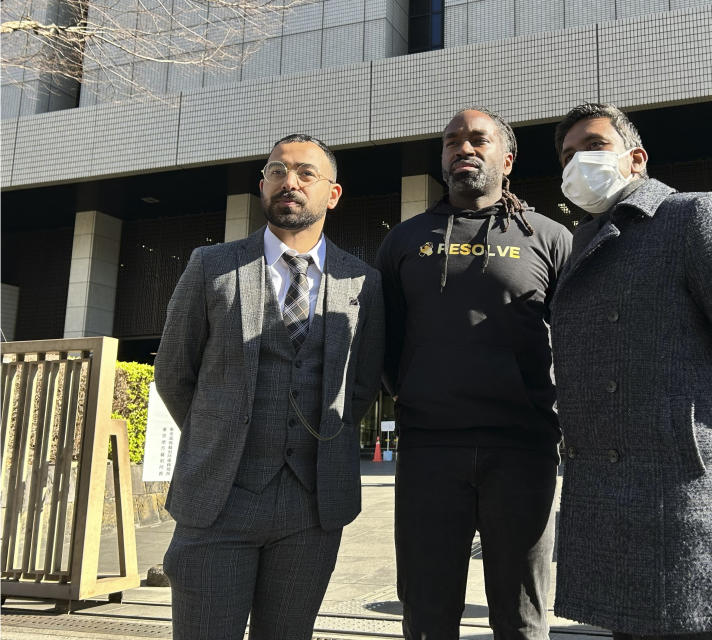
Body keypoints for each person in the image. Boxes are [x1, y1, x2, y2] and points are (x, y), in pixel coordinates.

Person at [549, 103, 712, 640]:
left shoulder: (694, 216)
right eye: (567, 155)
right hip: (613, 517)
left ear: (635, 158)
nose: (577, 162)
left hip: (688, 508)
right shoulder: (582, 246)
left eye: (593, 146)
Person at [154, 134, 384, 640]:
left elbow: (363, 383)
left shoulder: (363, 281)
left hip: (313, 506)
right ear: (263, 185)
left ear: (334, 193)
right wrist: (220, 431)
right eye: (276, 171)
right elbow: (174, 372)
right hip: (218, 498)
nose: (289, 182)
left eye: (305, 173)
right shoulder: (210, 266)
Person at [375, 107, 572, 640]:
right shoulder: (403, 241)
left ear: (506, 159)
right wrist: (419, 392)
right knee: (427, 611)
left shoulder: (550, 238)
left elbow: (576, 341)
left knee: (523, 615)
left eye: (478, 140)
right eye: (451, 141)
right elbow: (385, 344)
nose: (464, 148)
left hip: (524, 448)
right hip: (429, 450)